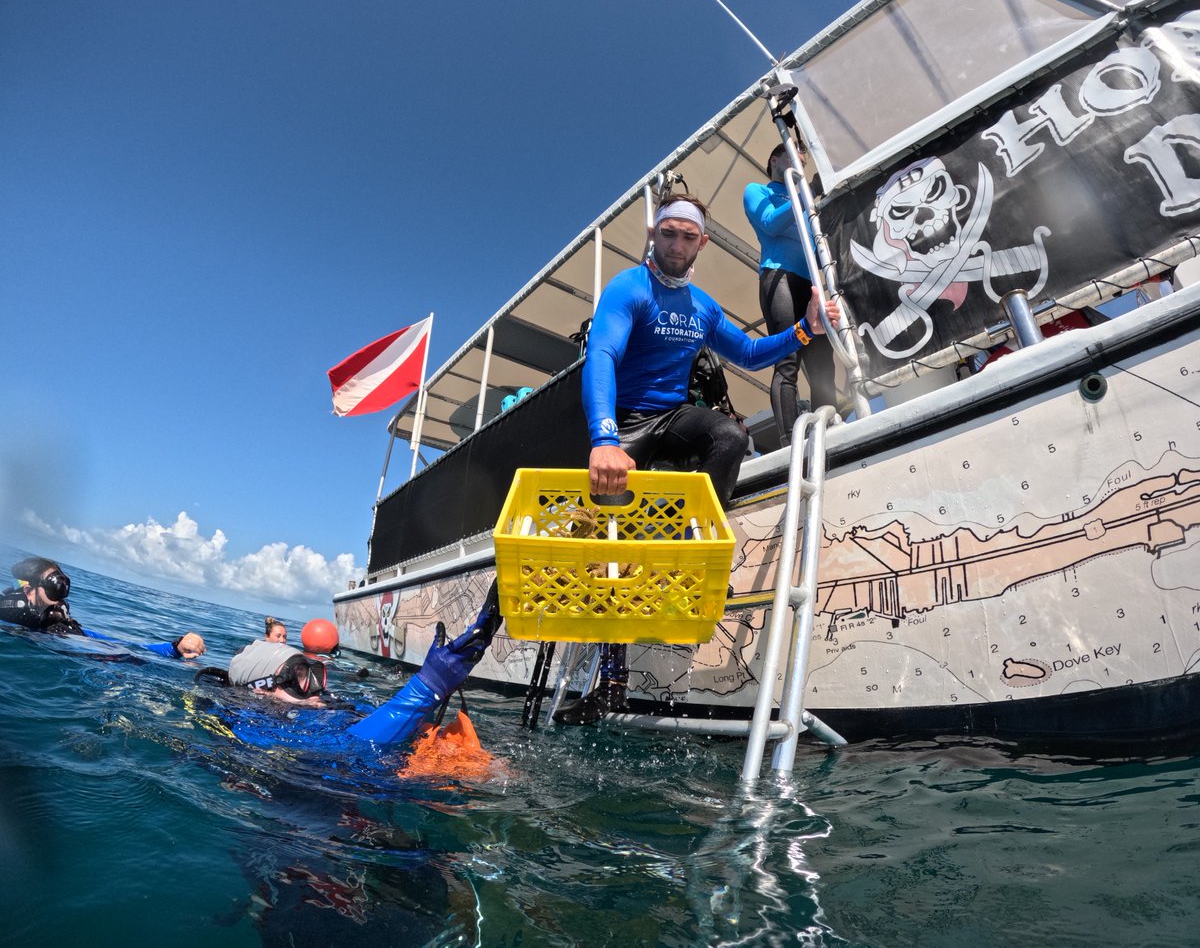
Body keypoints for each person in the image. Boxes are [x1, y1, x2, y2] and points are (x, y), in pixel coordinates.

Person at [559, 193, 841, 725]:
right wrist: (604, 440)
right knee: (604, 544)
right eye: (668, 233)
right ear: (653, 233)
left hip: (673, 417)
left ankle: (693, 559)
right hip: (625, 422)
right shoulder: (628, 288)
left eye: (688, 237)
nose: (677, 244)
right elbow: (602, 355)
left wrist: (805, 329)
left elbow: (752, 354)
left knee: (730, 438)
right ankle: (610, 683)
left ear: (702, 244)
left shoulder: (704, 307)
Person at [198, 584, 503, 750]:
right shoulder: (253, 728)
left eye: (314, 673)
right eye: (301, 679)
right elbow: (354, 747)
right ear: (261, 690)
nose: (316, 688)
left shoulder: (320, 705)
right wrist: (428, 687)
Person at [744, 143, 839, 445]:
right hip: (780, 277)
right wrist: (806, 192)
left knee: (824, 361)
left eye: (803, 159)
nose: (800, 162)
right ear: (774, 159)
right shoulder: (757, 190)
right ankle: (789, 440)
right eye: (793, 155)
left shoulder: (805, 200)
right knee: (787, 360)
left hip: (811, 283)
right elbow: (770, 223)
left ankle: (829, 433)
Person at [0, 555, 206, 659]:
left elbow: (127, 646)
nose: (59, 597)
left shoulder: (69, 629)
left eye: (62, 587)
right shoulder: (14, 627)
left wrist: (176, 647)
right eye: (54, 587)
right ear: (29, 592)